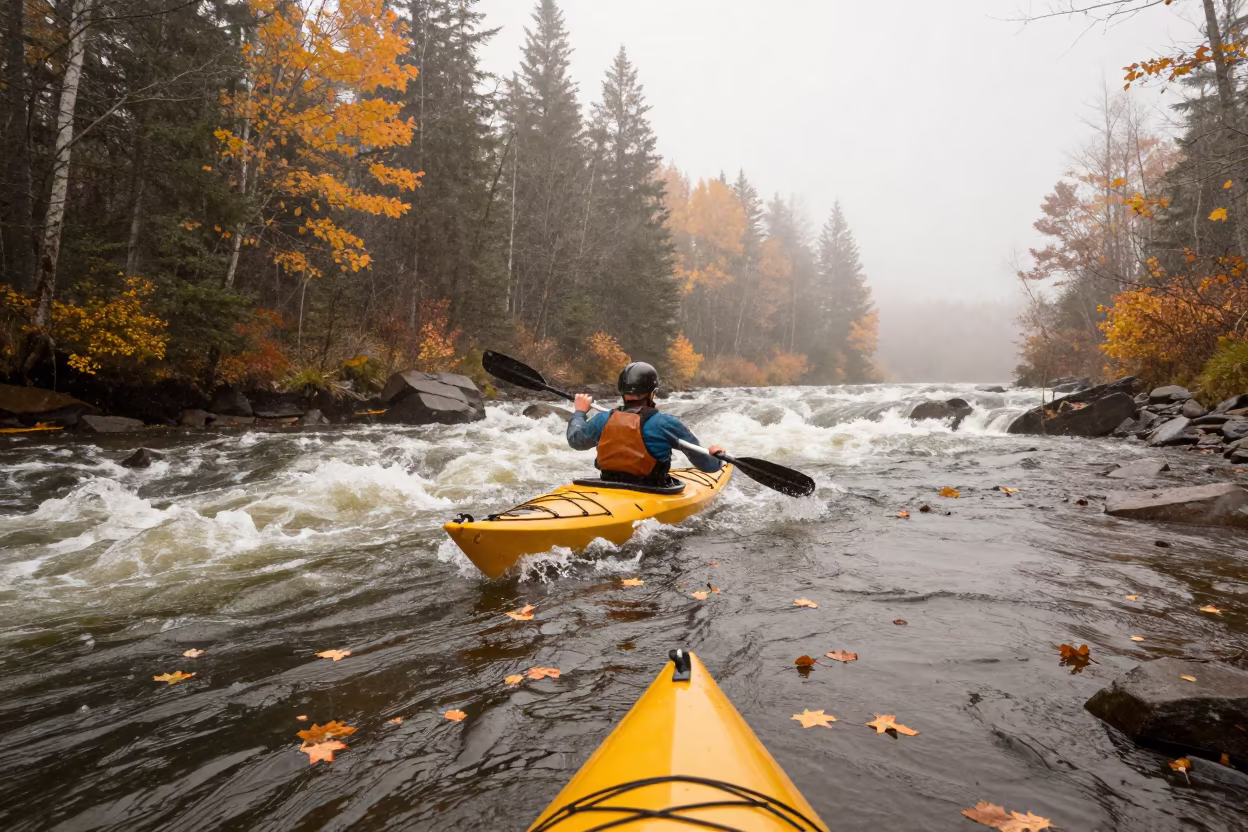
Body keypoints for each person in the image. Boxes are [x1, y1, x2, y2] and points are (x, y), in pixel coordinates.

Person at [567, 361, 726, 486]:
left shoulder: (602, 419)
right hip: (652, 490)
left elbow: (576, 441)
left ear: (622, 392)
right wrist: (716, 457)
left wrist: (580, 412)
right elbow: (708, 466)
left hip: (609, 485)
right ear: (652, 393)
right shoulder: (666, 424)